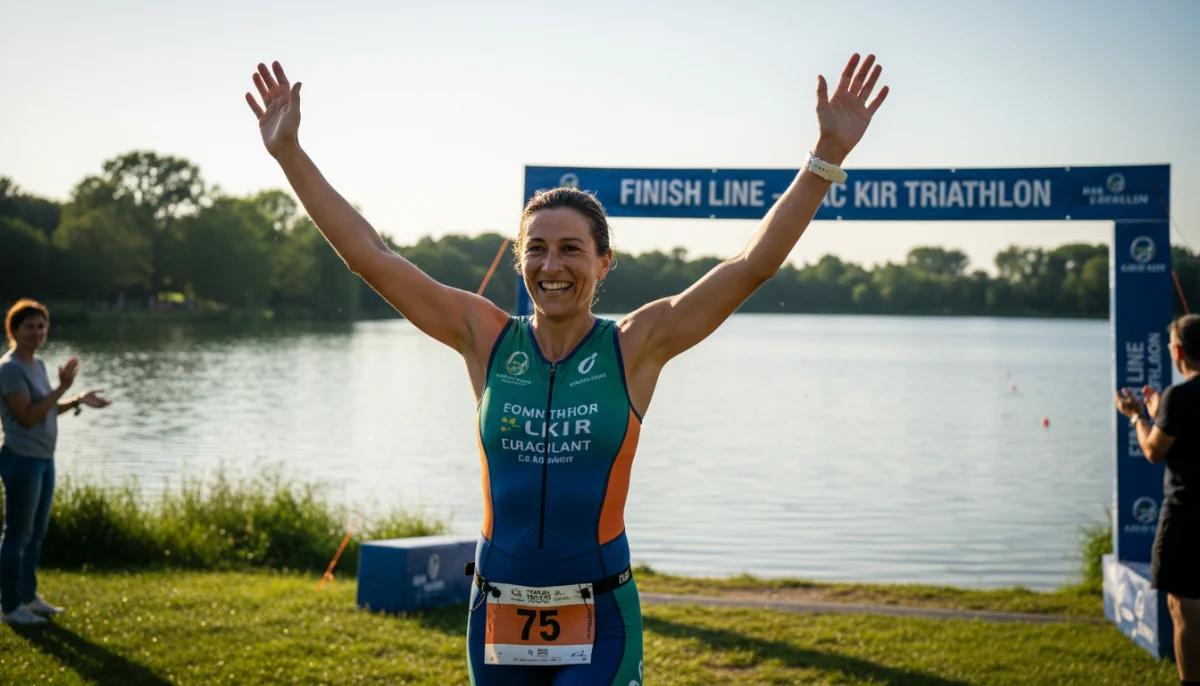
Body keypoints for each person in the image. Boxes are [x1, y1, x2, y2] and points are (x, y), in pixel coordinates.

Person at [245, 53, 887, 684]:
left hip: (601, 612)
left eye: (572, 249)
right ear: (522, 260)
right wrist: (289, 154)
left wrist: (825, 156)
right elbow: (371, 257)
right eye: (537, 249)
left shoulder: (638, 344)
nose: (552, 265)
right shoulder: (485, 337)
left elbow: (751, 266)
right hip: (496, 611)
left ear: (604, 263)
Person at [0, 299, 111, 625]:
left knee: (35, 534)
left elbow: (46, 407)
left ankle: (29, 598)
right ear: (14, 330)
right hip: (21, 459)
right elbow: (29, 416)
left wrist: (76, 400)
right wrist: (63, 387)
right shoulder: (9, 369)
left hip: (44, 458)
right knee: (17, 534)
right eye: (30, 326)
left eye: (42, 325)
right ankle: (10, 607)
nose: (38, 332)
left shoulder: (38, 365)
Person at [1115, 313, 1199, 685]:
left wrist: (1137, 416)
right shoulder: (1174, 400)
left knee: (1183, 607)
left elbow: (1153, 450)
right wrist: (1159, 413)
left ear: (1178, 351)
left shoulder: (1178, 396)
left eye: (1169, 347)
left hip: (1186, 516)